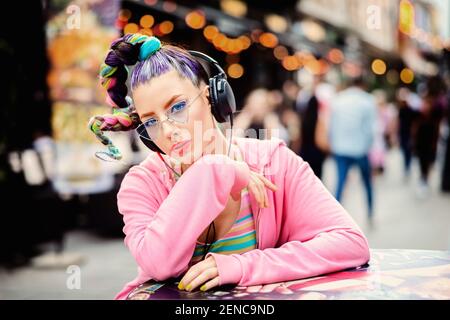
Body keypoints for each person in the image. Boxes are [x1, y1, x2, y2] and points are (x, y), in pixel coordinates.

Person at [88, 33, 370, 300]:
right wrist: (214, 169)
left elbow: (350, 244)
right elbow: (160, 264)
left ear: (212, 96)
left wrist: (242, 266)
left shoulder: (274, 162)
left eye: (177, 107)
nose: (168, 130)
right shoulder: (142, 184)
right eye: (151, 121)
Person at [329, 77, 377, 223]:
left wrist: (334, 144)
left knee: (340, 183)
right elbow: (370, 129)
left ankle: (333, 217)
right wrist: (368, 146)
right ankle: (370, 213)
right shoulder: (368, 100)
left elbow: (332, 126)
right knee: (367, 183)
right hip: (360, 149)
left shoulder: (338, 100)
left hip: (341, 148)